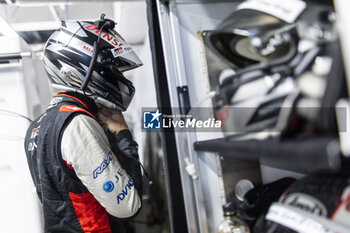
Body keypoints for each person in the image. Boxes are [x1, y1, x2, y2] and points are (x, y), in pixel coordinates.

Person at [24, 15, 143, 233]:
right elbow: (129, 205)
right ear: (82, 67)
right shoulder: (78, 123)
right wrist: (123, 133)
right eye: (115, 69)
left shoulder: (36, 127)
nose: (118, 75)